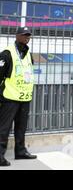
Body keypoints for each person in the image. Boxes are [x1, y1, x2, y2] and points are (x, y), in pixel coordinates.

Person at [0, 26, 38, 167]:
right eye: (24, 35)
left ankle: (20, 151)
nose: (26, 37)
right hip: (9, 98)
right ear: (17, 36)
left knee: (21, 128)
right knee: (3, 128)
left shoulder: (28, 54)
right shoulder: (7, 53)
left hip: (24, 98)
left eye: (28, 35)